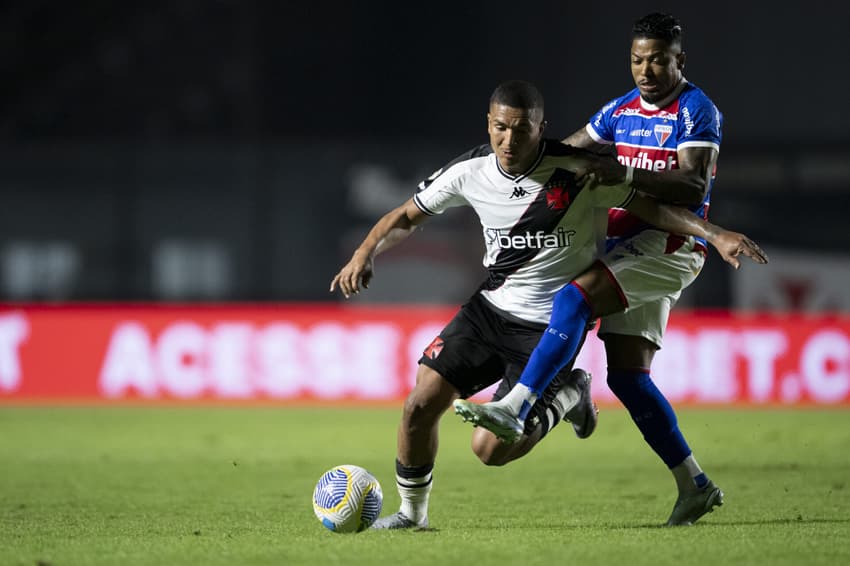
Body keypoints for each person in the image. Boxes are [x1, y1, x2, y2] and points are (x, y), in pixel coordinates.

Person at [331, 79, 765, 530]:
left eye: (522, 130)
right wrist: (365, 254)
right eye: (500, 128)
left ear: (542, 128)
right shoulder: (470, 170)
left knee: (489, 451)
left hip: (546, 330)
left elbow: (652, 208)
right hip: (489, 310)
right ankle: (412, 516)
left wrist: (714, 235)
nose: (509, 140)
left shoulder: (577, 170)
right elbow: (405, 215)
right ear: (488, 123)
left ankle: (568, 395)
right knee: (418, 405)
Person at [454, 12, 760, 526]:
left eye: (658, 59)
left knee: (572, 297)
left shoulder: (696, 110)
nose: (647, 69)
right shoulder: (620, 109)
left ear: (679, 60)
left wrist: (624, 171)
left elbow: (692, 187)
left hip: (669, 245)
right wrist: (509, 158)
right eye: (638, 59)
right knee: (629, 377)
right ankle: (694, 485)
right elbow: (571, 148)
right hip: (626, 246)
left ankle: (517, 404)